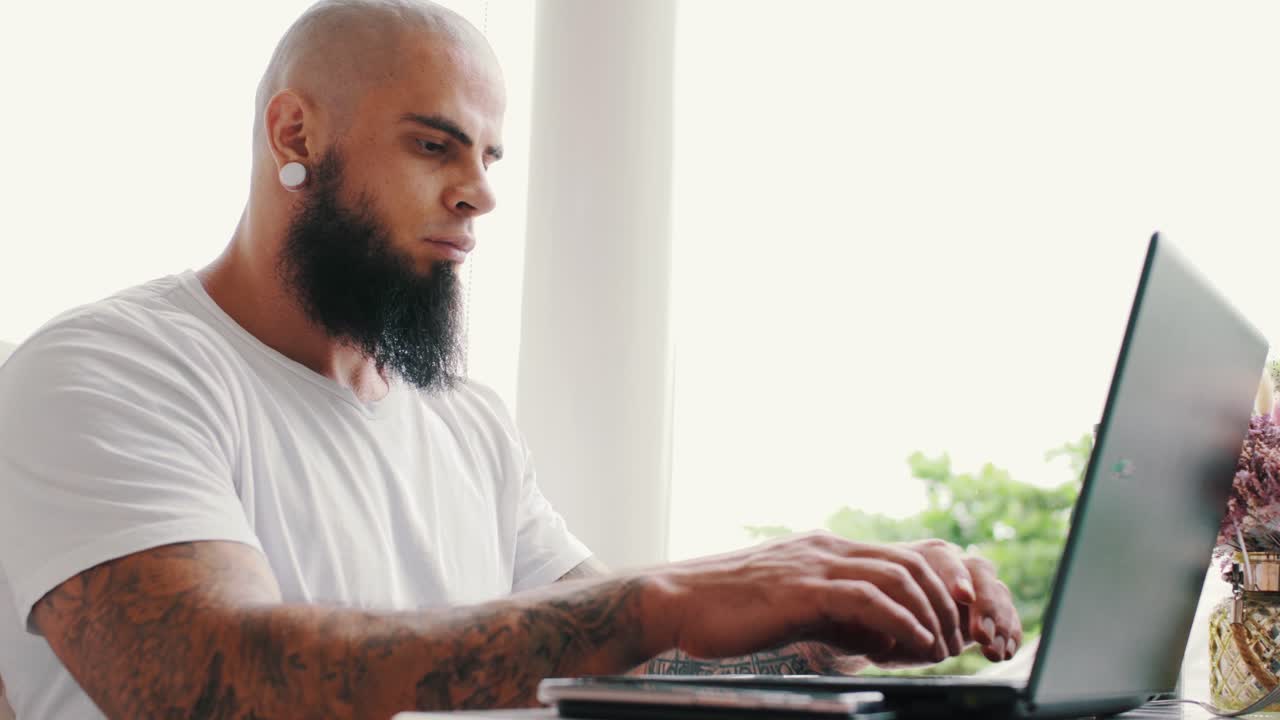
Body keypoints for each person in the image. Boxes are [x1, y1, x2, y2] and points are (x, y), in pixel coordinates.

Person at [0, 1, 1023, 718]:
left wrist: (827, 622)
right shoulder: (106, 372)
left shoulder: (466, 423)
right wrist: (667, 595)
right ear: (295, 131)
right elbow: (205, 682)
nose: (480, 193)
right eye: (433, 145)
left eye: (487, 157)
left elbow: (608, 661)